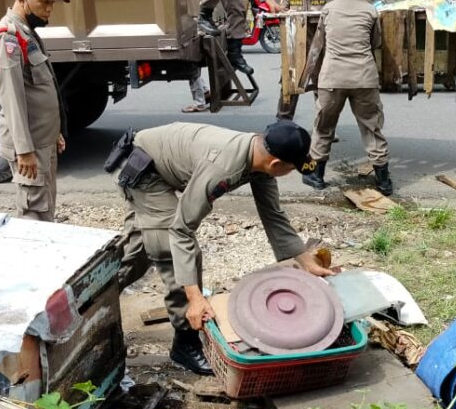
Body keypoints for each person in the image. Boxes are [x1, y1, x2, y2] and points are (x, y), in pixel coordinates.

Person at [114, 121, 334, 375]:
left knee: (139, 250)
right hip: (144, 172)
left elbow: (272, 213)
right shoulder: (222, 168)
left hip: (159, 164)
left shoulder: (259, 152)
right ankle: (184, 341)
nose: (292, 172)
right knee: (171, 250)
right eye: (292, 168)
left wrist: (305, 260)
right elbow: (181, 230)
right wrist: (195, 299)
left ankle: (93, 299)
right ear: (276, 164)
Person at [302, 0, 392, 196]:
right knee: (372, 127)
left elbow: (319, 43)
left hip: (333, 79)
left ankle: (316, 175)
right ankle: (383, 182)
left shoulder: (328, 9)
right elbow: (376, 43)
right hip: (364, 78)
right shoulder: (370, 10)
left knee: (323, 126)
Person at [0, 0, 69, 222]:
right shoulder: (8, 38)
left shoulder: (25, 31)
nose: (49, 9)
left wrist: (54, 130)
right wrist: (24, 151)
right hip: (29, 146)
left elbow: (39, 88)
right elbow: (12, 99)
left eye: (51, 3)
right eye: (43, 2)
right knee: (33, 212)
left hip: (41, 141)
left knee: (45, 208)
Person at [276, 0, 334, 121]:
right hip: (295, 49)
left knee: (322, 87)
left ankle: (325, 125)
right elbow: (281, 16)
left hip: (320, 48)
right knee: (290, 85)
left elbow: (332, 16)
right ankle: (283, 122)